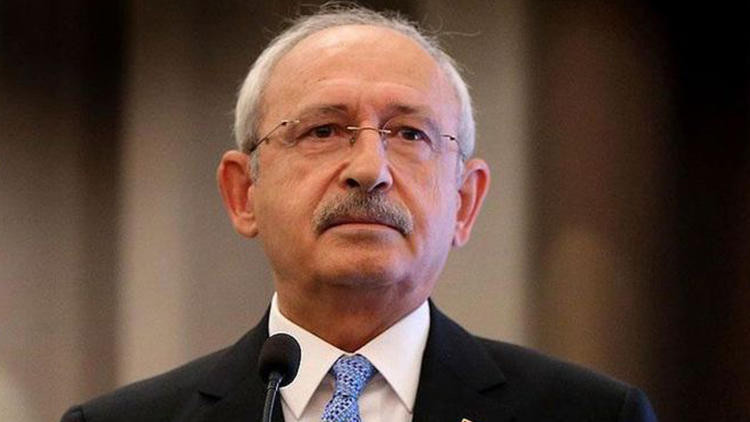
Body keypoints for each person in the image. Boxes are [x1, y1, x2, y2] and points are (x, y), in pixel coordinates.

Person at [61, 4, 657, 422]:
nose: (370, 168)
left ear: (465, 202)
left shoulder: (593, 414)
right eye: (323, 130)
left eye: (410, 134)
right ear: (243, 194)